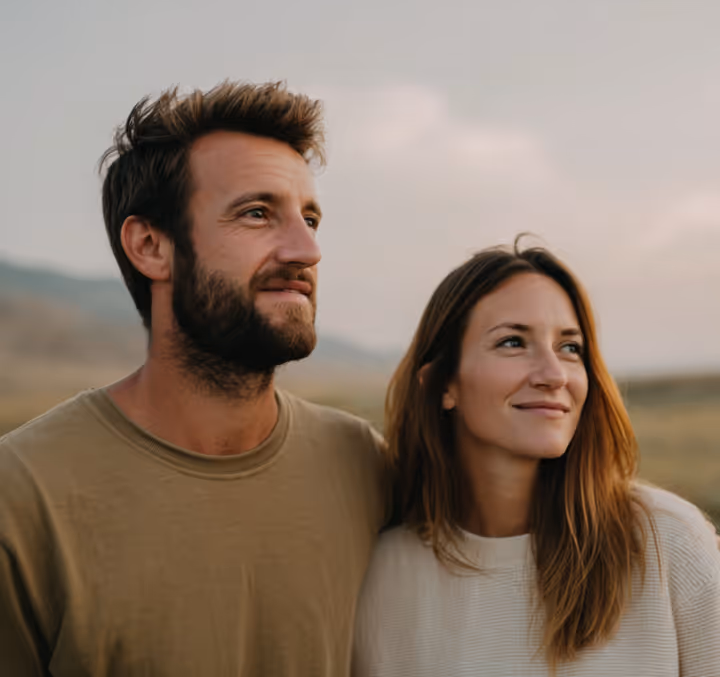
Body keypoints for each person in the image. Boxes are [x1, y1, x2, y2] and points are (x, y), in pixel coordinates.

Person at [0, 82, 387, 676]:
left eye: (309, 217)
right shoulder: (21, 497)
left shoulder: (365, 466)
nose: (307, 249)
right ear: (151, 246)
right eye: (258, 213)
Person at [353, 240, 720, 676]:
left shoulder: (668, 545)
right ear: (443, 384)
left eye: (570, 348)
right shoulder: (382, 578)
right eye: (513, 342)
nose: (553, 375)